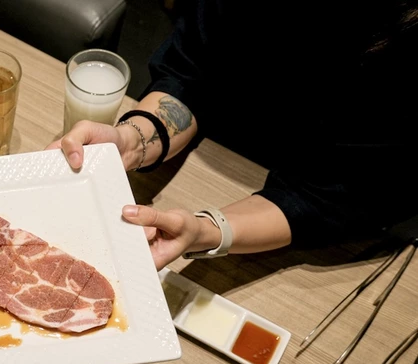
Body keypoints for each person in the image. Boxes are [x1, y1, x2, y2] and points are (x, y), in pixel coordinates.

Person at [49, 0, 418, 270]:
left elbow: (327, 200)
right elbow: (193, 74)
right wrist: (133, 140)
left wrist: (208, 230)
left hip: (339, 223)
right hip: (219, 152)